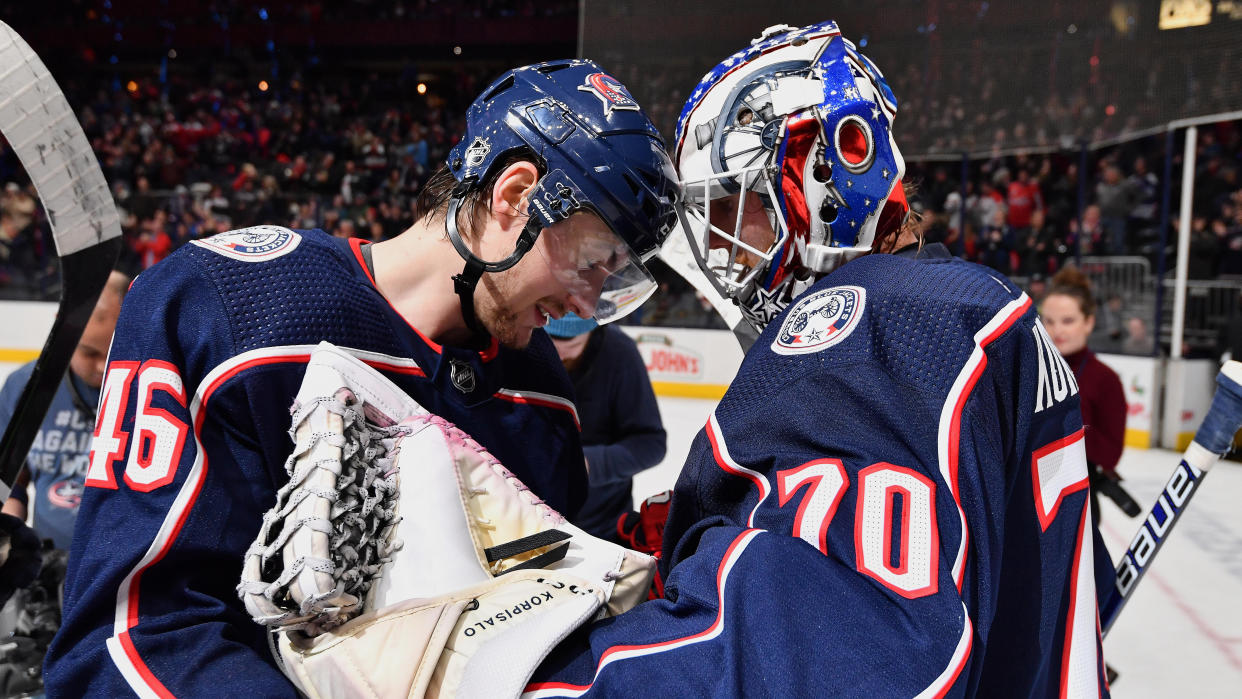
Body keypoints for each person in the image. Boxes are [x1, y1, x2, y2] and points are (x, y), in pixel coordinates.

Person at [44, 60, 679, 697]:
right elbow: (129, 636)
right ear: (514, 196)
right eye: (594, 263)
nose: (588, 305)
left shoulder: (542, 394)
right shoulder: (231, 305)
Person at [528, 22, 1109, 696]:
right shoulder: (969, 306)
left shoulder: (880, 320)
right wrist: (737, 530)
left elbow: (840, 657)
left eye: (730, 205)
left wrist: (544, 686)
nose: (721, 248)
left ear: (830, 166)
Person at [0, 270, 130, 550]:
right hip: (46, 565)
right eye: (89, 352)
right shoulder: (25, 387)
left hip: (121, 568)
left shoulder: (151, 389)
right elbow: (12, 483)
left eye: (113, 353)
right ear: (63, 331)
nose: (100, 367)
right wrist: (8, 541)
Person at [544, 312, 667, 542]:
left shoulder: (620, 354)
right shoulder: (526, 343)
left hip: (603, 529)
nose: (556, 354)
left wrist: (589, 464)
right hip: (532, 525)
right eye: (548, 341)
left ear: (592, 332)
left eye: (570, 345)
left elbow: (651, 444)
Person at [1041, 266, 1130, 524]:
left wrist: (1070, 422)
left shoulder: (1104, 379)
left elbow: (1110, 454)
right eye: (1049, 321)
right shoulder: (1029, 370)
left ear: (1088, 322)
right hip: (1024, 498)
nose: (1057, 330)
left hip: (1077, 502)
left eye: (1068, 321)